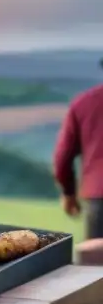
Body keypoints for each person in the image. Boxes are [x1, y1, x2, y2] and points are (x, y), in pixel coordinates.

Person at [54, 67, 103, 239]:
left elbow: (62, 158)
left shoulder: (84, 103)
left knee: (97, 263)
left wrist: (69, 193)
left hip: (99, 198)